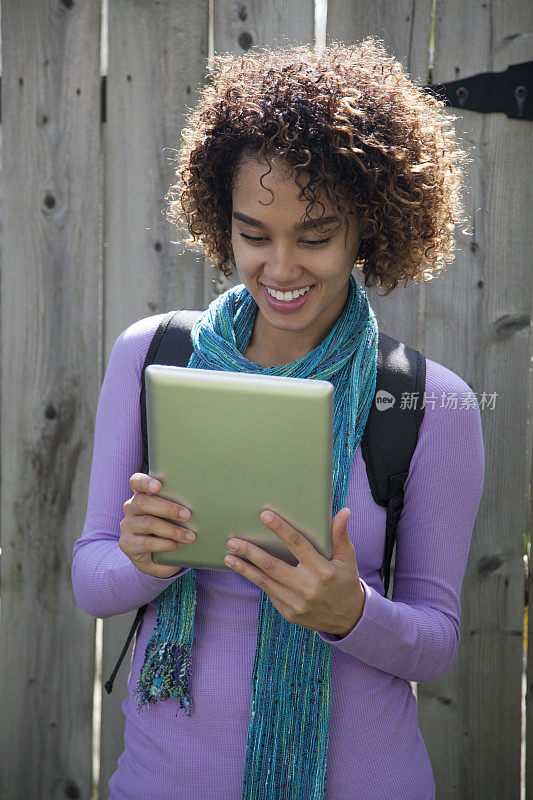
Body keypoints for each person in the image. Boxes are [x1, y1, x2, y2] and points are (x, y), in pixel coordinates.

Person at [72, 37, 485, 800]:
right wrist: (141, 558)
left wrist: (349, 612)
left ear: (368, 225)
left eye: (316, 236)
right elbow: (92, 582)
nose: (281, 268)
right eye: (252, 235)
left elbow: (436, 642)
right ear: (219, 221)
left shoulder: (431, 403)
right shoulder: (153, 355)